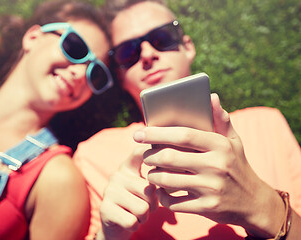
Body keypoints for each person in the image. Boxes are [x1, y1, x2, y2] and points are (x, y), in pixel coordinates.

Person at [72, 0, 301, 239]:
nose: (148, 54)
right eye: (128, 52)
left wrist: (260, 206)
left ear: (188, 47)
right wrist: (108, 235)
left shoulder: (266, 124)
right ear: (120, 74)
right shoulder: (92, 154)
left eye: (162, 38)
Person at [0, 1, 113, 239]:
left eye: (96, 73)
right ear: (33, 37)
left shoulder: (56, 178)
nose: (80, 73)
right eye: (76, 47)